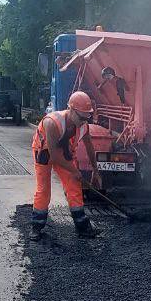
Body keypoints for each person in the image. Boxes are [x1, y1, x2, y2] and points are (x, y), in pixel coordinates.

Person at [31, 91, 101, 240]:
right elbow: (55, 156)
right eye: (81, 117)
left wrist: (96, 170)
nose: (84, 121)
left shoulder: (83, 126)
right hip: (43, 151)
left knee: (74, 186)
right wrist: (74, 170)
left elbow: (89, 147)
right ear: (71, 110)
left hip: (63, 149)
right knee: (43, 189)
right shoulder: (52, 122)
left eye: (86, 117)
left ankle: (82, 227)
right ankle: (36, 227)